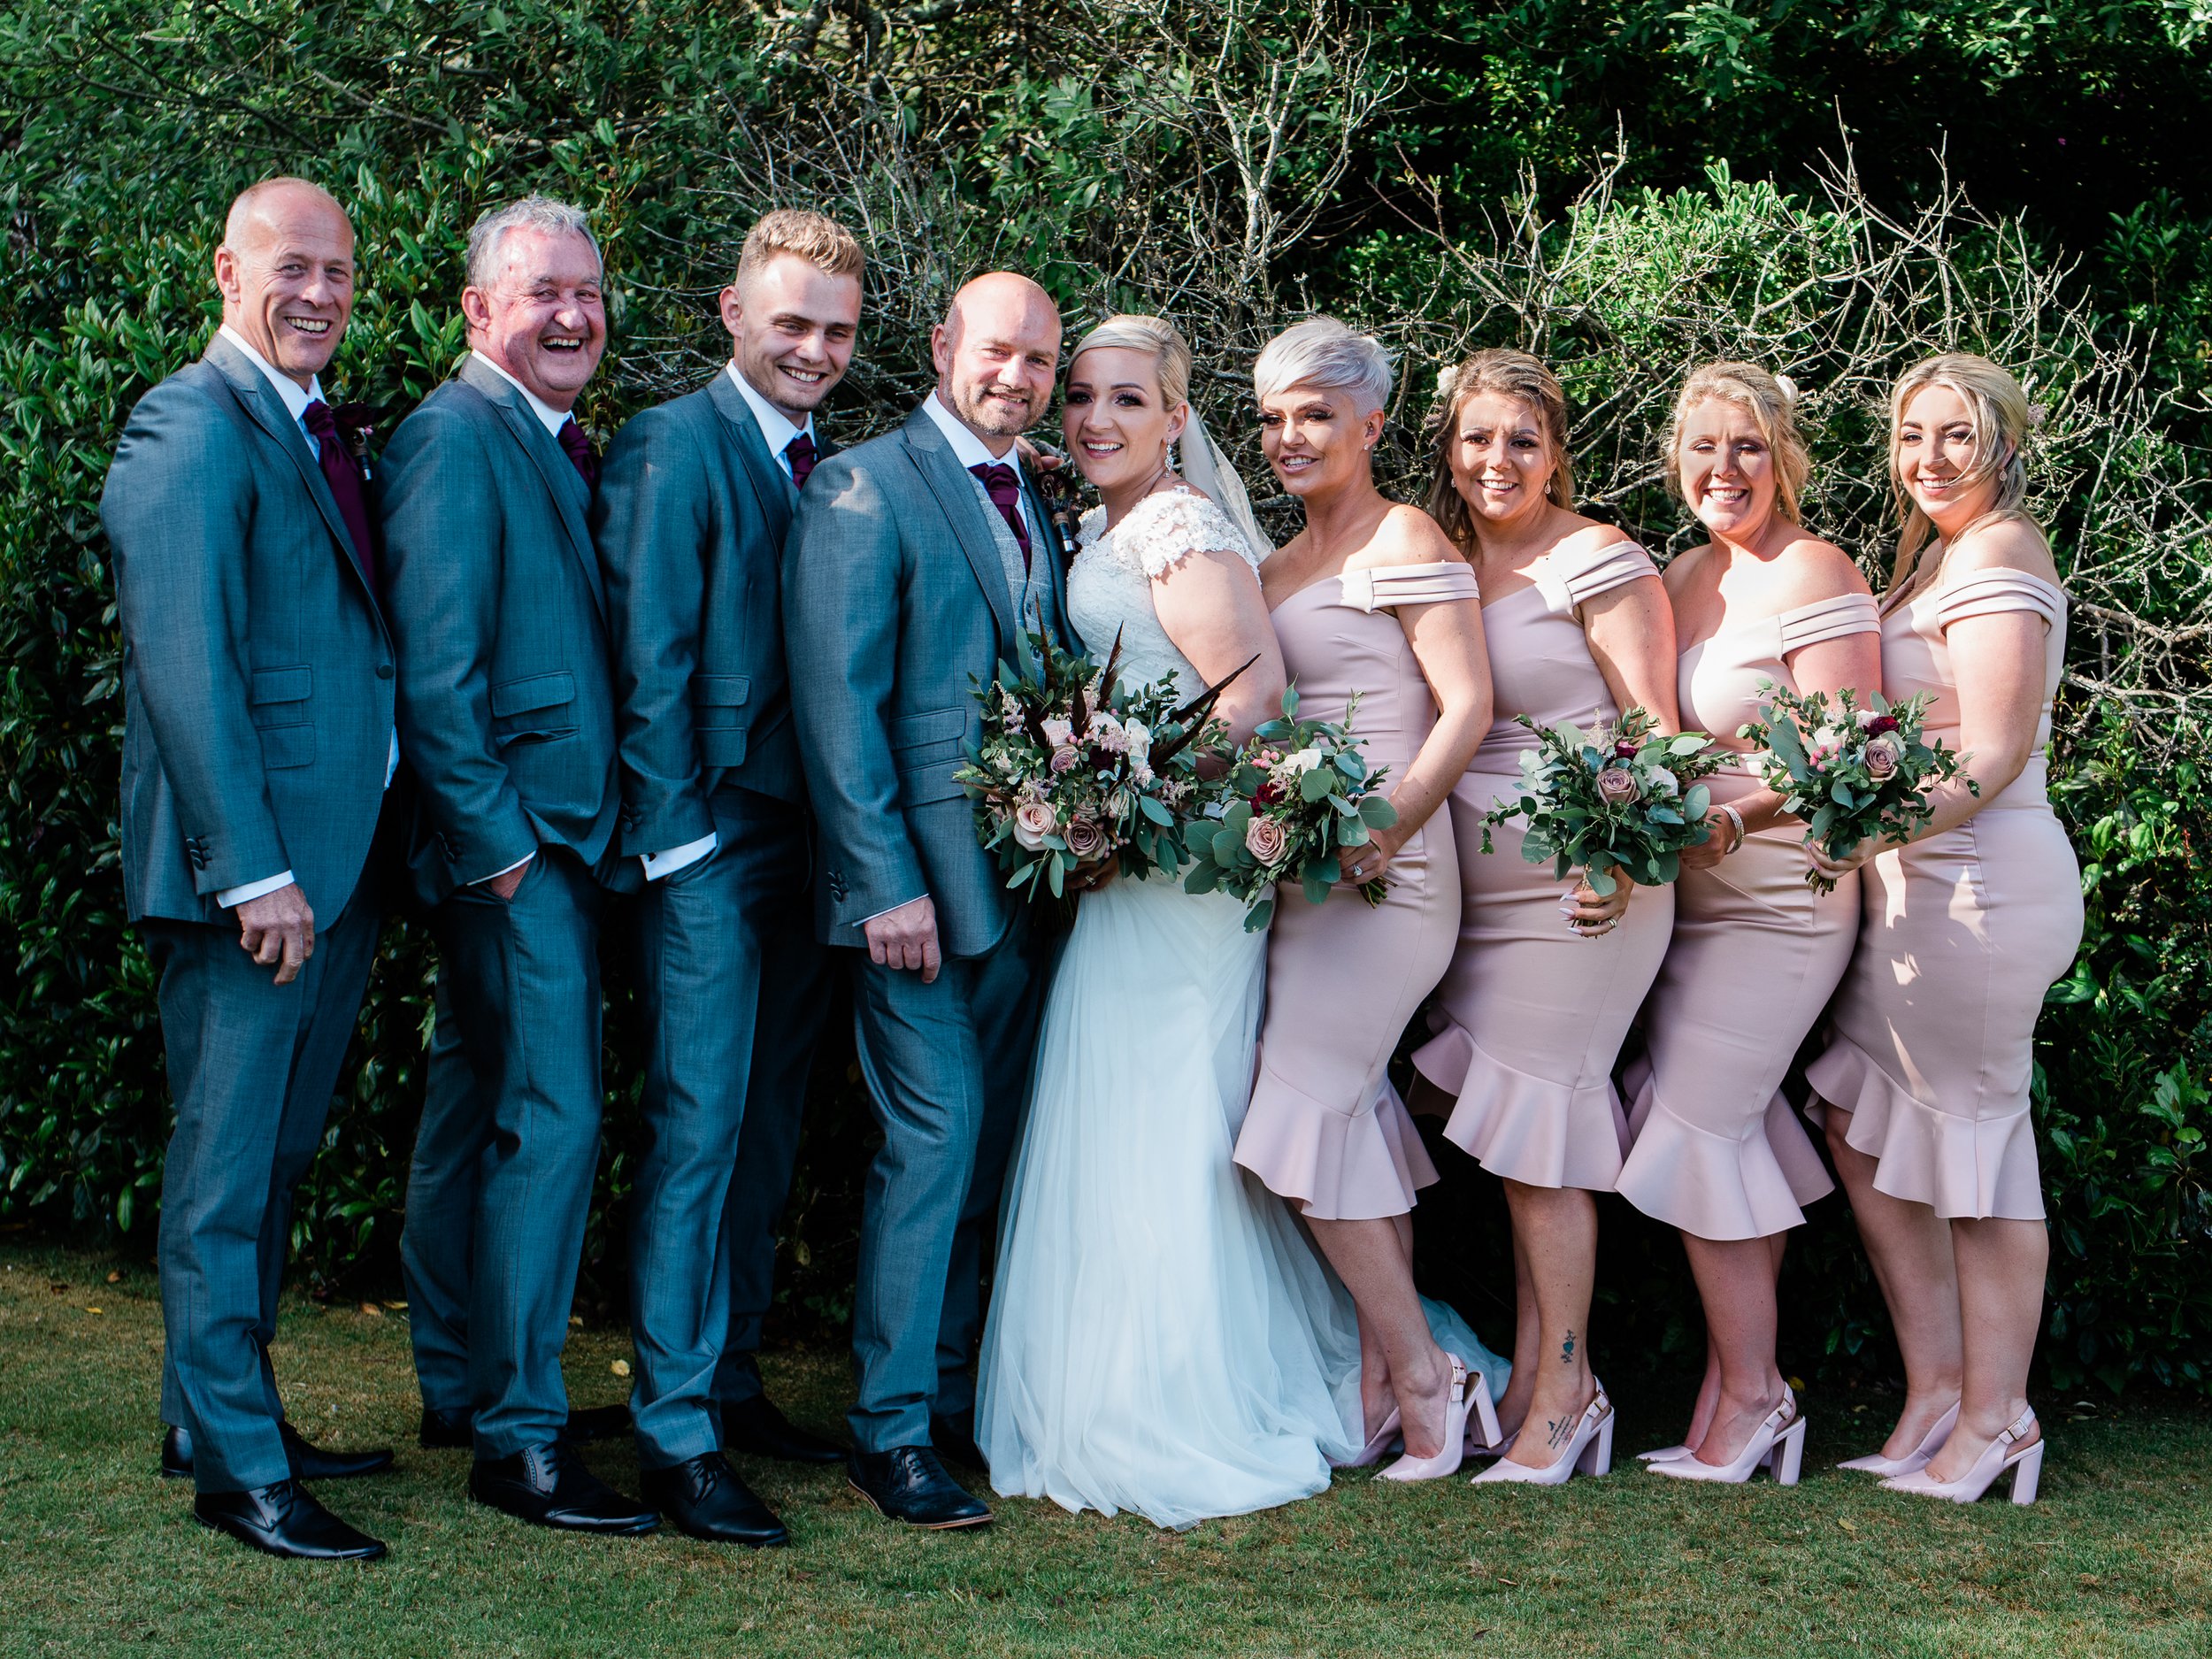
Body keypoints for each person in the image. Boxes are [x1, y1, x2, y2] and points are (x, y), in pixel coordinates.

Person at [976, 313, 1363, 1527]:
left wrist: (1126, 800)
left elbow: (1253, 698)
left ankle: (1172, 1393)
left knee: (1163, 1109)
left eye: (1128, 399)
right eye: (1082, 395)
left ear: (1178, 417)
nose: (1096, 417)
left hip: (1181, 870)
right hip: (1130, 866)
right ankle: (1105, 1377)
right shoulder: (1101, 523)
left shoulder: (1182, 528)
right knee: (1114, 1099)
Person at [103, 177, 397, 1561]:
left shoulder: (308, 422)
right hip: (253, 880)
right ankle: (239, 1470)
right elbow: (188, 664)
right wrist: (252, 870)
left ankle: (214, 1413)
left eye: (337, 271)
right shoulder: (189, 424)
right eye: (292, 267)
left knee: (273, 1159)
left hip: (330, 867)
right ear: (228, 270)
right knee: (225, 1172)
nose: (319, 294)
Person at [783, 272, 1076, 1529]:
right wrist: (880, 883)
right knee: (935, 1140)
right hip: (911, 897)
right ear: (945, 342)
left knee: (986, 1151)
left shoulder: (1037, 497)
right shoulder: (861, 486)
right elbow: (836, 702)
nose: (1016, 376)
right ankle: (889, 1429)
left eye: (1039, 360)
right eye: (997, 350)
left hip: (1022, 889)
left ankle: (949, 1397)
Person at [380, 195, 654, 1536]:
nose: (572, 314)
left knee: (468, 1112)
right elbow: (436, 679)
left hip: (554, 840)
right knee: (553, 1121)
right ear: (479, 308)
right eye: (543, 291)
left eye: (587, 292)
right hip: (517, 848)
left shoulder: (543, 436)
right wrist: (501, 859)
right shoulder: (452, 436)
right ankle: (520, 1439)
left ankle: (462, 1383)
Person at [591, 209, 863, 1546]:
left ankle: (735, 1375)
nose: (813, 349)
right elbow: (644, 654)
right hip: (706, 840)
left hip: (808, 843)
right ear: (733, 313)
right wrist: (676, 837)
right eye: (791, 322)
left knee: (766, 1123)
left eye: (836, 330)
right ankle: (675, 1430)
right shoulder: (669, 443)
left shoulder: (836, 468)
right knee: (698, 1126)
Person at [1804, 355, 2079, 1505]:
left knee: (1978, 1145)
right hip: (1915, 885)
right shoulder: (1938, 556)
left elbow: (1994, 752)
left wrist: (1862, 826)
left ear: (2003, 444)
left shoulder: (2002, 553)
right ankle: (1938, 1393)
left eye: (1956, 434)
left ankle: (1997, 1419)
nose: (1929, 457)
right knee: (1858, 1115)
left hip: (1981, 885)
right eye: (1912, 434)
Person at [1233, 318, 1500, 1483]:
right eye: (1272, 417)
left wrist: (1386, 824)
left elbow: (1467, 705)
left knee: (1296, 1118)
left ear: (1371, 423)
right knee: (1338, 1117)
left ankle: (1427, 1377)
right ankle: (1391, 1378)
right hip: (1304, 875)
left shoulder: (1408, 536)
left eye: (1315, 414)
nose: (1289, 436)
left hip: (1393, 873)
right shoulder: (1271, 566)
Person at [1406, 349, 1679, 1485]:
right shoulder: (1444, 559)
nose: (1497, 460)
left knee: (1545, 1145)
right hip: (1474, 907)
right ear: (1447, 448)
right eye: (1476, 438)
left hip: (1584, 895)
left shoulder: (1596, 558)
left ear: (1557, 454)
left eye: (1522, 440)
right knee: (1513, 1141)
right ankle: (1529, 1383)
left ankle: (1568, 1393)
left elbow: (1654, 727)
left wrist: (1619, 856)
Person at [1619, 362, 1874, 1486]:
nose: (1722, 469)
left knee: (1697, 1126)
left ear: (1784, 459)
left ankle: (1760, 1399)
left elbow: (1850, 745)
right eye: (1702, 447)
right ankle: (1733, 1387)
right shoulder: (1681, 576)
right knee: (1726, 1127)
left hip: (1781, 899)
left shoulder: (1815, 568)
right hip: (1691, 906)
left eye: (1748, 448)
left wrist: (1731, 820)